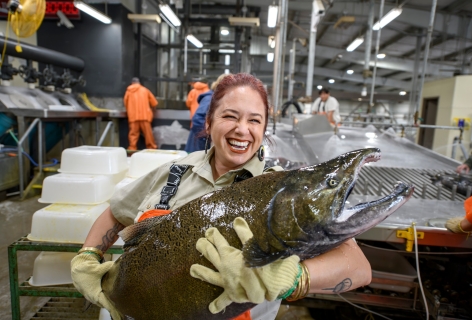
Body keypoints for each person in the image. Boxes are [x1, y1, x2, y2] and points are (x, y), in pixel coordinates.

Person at [70, 73, 371, 320]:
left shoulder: (285, 191)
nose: (242, 130)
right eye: (230, 116)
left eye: (255, 120)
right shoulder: (175, 171)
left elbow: (358, 267)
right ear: (209, 121)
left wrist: (295, 280)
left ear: (265, 129)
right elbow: (114, 213)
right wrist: (88, 256)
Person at [185, 74, 227, 153]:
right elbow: (197, 118)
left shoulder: (194, 91)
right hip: (199, 141)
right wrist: (207, 134)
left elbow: (188, 103)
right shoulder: (210, 98)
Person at [123, 77, 158, 150]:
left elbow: (125, 103)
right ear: (139, 83)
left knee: (133, 134)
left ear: (132, 83)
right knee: (148, 135)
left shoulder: (128, 91)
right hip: (145, 116)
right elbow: (154, 103)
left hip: (133, 117)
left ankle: (132, 149)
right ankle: (151, 148)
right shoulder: (145, 90)